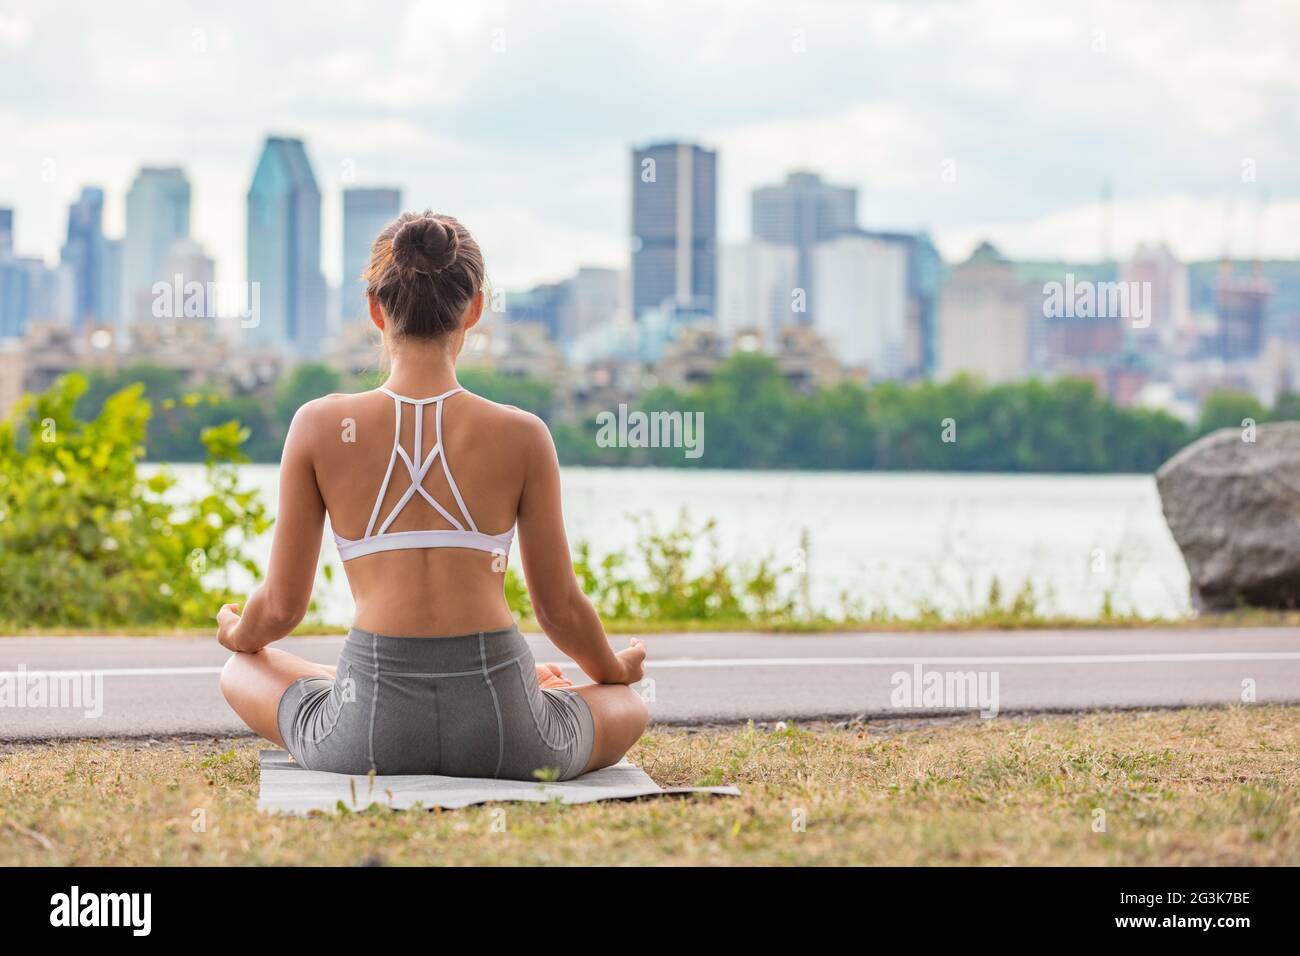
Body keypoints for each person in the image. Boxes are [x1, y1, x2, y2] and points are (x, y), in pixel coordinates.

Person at [218, 211, 648, 780]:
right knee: (629, 707)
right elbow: (559, 610)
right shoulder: (523, 434)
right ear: (473, 308)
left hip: (368, 731)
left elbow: (279, 609)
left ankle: (344, 683)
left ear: (376, 309)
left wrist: (238, 635)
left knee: (240, 669)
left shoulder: (318, 425)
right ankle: (527, 688)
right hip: (505, 728)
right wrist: (611, 669)